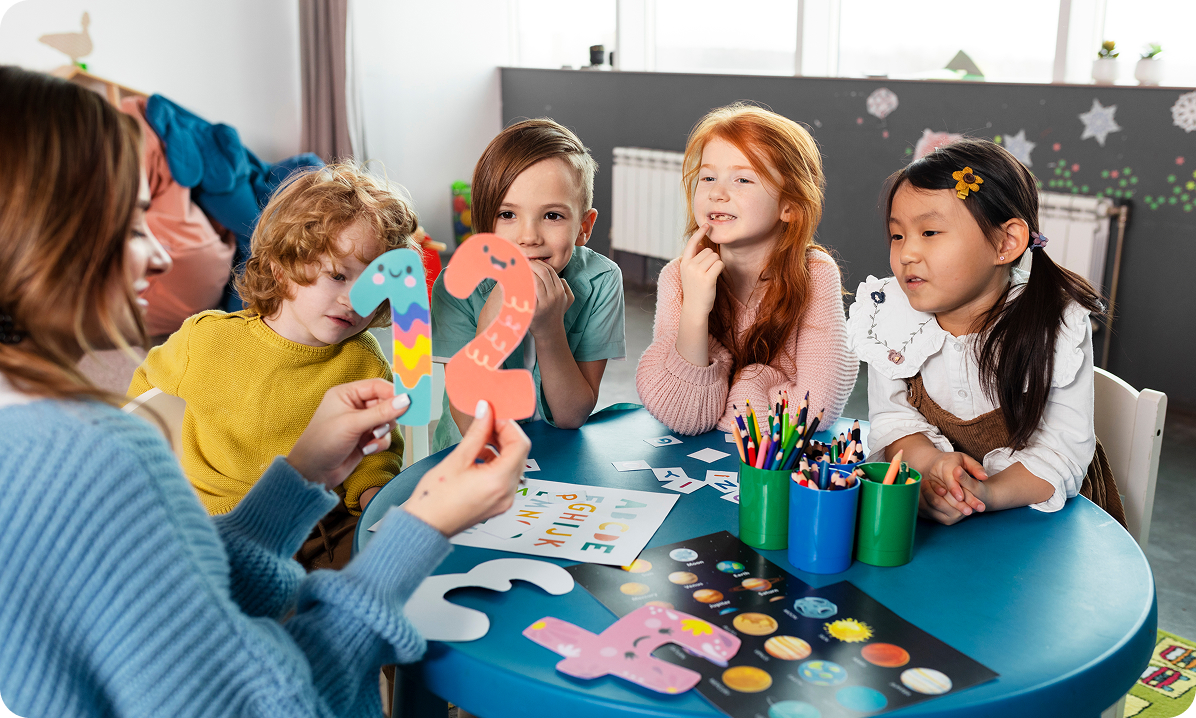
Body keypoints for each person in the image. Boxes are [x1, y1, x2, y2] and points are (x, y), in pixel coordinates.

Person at [0, 65, 529, 717]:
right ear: (41, 233)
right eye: (134, 223)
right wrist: (423, 527)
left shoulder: (32, 439)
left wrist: (300, 473)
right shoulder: (105, 458)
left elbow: (185, 609)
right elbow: (278, 704)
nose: (161, 256)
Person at [128, 163, 414, 569]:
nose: (354, 300)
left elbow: (374, 454)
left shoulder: (365, 358)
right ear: (281, 268)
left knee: (400, 574)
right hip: (221, 527)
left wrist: (377, 501)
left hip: (325, 526)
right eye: (337, 275)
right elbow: (141, 404)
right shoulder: (205, 339)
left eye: (373, 286)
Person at [846, 137, 1125, 526]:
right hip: (944, 509)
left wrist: (984, 493)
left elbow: (1061, 452)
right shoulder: (889, 316)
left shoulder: (1055, 324)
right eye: (898, 235)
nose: (906, 253)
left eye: (930, 232)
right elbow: (893, 420)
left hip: (1041, 515)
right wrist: (932, 468)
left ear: (1006, 242)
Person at [635, 103, 856, 436]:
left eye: (742, 179)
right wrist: (694, 310)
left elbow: (817, 411)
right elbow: (681, 415)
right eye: (708, 177)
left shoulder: (815, 274)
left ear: (789, 206)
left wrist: (747, 383)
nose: (717, 193)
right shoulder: (678, 277)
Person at [431, 119, 625, 450]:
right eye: (507, 215)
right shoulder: (455, 288)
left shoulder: (601, 280)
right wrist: (492, 324)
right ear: (484, 226)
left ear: (584, 227)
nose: (529, 237)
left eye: (552, 216)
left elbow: (571, 415)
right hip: (472, 458)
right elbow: (472, 425)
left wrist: (550, 331)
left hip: (556, 456)